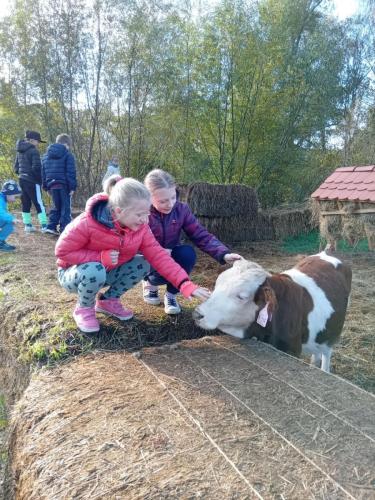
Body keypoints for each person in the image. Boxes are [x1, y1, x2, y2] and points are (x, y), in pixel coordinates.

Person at [55, 175, 210, 333]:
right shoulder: (86, 223)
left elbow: (159, 256)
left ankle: (108, 302)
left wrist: (185, 284)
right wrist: (99, 257)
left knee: (143, 263)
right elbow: (62, 252)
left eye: (147, 213)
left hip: (107, 271)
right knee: (95, 269)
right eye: (139, 215)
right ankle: (84, 309)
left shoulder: (142, 228)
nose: (145, 220)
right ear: (119, 211)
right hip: (75, 274)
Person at [143, 169, 242, 315]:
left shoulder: (182, 210)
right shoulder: (142, 213)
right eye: (162, 201)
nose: (169, 204)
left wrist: (223, 254)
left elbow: (200, 234)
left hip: (170, 256)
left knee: (187, 254)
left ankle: (171, 295)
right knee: (155, 274)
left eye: (172, 198)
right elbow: (131, 243)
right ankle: (150, 283)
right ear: (149, 198)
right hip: (149, 259)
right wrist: (154, 252)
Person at [42, 133, 77, 235]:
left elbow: (43, 172)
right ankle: (64, 229)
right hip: (63, 185)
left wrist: (46, 187)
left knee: (56, 206)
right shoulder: (68, 155)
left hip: (52, 185)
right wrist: (72, 187)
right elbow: (70, 172)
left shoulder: (45, 156)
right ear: (66, 144)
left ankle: (51, 226)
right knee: (65, 208)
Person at [14, 130, 48, 233]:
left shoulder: (19, 151)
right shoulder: (34, 151)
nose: (38, 144)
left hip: (21, 179)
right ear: (32, 140)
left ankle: (28, 225)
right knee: (39, 202)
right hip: (32, 181)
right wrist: (39, 181)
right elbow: (37, 167)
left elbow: (16, 168)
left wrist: (22, 174)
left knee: (25, 202)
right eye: (38, 141)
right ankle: (44, 226)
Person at [0, 180, 21, 252]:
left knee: (9, 223)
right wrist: (11, 219)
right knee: (10, 222)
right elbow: (1, 212)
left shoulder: (2, 199)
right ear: (9, 194)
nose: (15, 199)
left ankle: (1, 241)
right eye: (15, 196)